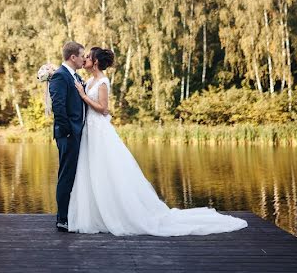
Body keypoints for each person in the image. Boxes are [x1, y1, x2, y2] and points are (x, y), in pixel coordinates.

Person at [68, 46, 248, 236]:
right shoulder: (89, 80)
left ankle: (117, 214)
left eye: (88, 57)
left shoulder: (103, 82)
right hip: (91, 131)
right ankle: (96, 214)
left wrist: (83, 96)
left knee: (107, 170)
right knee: (94, 170)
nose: (85, 59)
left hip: (100, 131)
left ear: (95, 62)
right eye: (85, 56)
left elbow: (104, 109)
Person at [48, 41, 86, 231]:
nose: (84, 59)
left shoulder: (75, 77)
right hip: (68, 135)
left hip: (77, 133)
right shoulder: (60, 77)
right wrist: (69, 130)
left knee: (73, 175)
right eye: (82, 55)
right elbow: (58, 107)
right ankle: (62, 218)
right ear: (73, 57)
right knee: (66, 176)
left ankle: (71, 214)